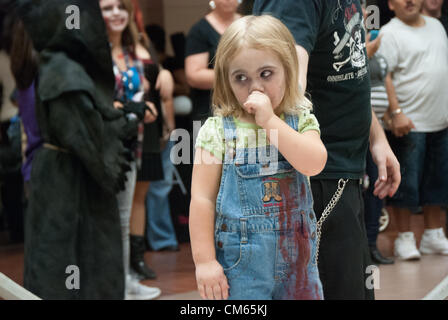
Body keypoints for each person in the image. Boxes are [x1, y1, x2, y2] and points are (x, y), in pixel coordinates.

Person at [253, 0, 401, 299]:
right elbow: (284, 83)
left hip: (344, 170)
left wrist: (377, 138)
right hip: (314, 177)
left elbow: (350, 73)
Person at [190, 15, 327, 300]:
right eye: (241, 78)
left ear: (287, 70)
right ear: (227, 80)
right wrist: (204, 262)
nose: (255, 88)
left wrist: (270, 122)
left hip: (298, 264)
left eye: (266, 74)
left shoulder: (299, 119)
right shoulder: (216, 130)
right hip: (240, 266)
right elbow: (201, 199)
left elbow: (314, 163)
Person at [16, 0, 129, 299]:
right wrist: (126, 123)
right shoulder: (62, 70)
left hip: (64, 175)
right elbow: (83, 133)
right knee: (69, 260)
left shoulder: (57, 65)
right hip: (68, 179)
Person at [99, 0, 162, 300]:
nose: (115, 13)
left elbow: (140, 97)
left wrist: (144, 108)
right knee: (105, 218)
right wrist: (132, 108)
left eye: (120, 7)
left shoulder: (130, 53)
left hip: (132, 144)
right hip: (103, 147)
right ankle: (110, 285)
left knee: (124, 218)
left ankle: (124, 282)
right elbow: (98, 101)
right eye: (107, 8)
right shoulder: (93, 54)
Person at [378, 0, 448, 260]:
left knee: (437, 183)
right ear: (391, 4)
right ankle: (404, 239)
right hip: (408, 124)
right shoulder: (390, 32)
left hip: (440, 121)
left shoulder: (436, 26)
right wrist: (395, 114)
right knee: (405, 185)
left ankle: (433, 234)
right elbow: (383, 76)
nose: (410, 0)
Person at [185, 0, 242, 123]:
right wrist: (238, 76)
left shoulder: (249, 25)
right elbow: (193, 76)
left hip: (245, 109)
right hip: (210, 110)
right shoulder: (199, 30)